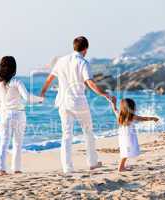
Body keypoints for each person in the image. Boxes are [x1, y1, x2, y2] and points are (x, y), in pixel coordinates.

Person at [40, 36, 115, 173]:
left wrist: (43, 93)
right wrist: (105, 94)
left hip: (63, 102)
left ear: (74, 46)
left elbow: (50, 78)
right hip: (78, 102)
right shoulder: (83, 63)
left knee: (66, 134)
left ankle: (67, 167)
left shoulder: (61, 61)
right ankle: (92, 163)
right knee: (88, 132)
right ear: (85, 49)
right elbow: (90, 83)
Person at [0, 56, 43, 176]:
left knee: (3, 142)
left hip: (4, 116)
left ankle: (1, 169)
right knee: (17, 143)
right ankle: (17, 169)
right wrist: (40, 99)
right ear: (14, 67)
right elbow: (27, 97)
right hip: (19, 115)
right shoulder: (16, 81)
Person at [110, 98, 159, 172]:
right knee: (126, 152)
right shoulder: (131, 116)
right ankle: (121, 167)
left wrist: (113, 103)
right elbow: (143, 118)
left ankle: (122, 167)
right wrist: (153, 118)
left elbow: (114, 109)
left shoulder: (120, 115)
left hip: (122, 137)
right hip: (129, 137)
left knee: (125, 151)